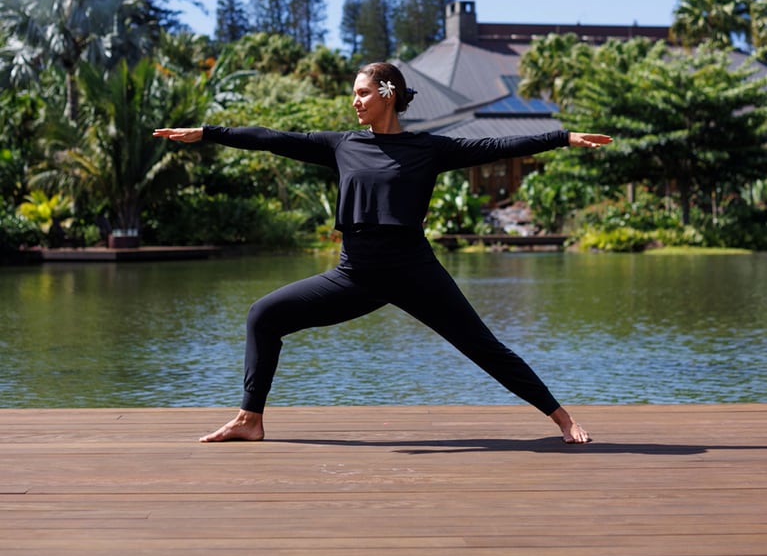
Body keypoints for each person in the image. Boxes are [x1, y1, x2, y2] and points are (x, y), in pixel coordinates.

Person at [154, 61, 612, 445]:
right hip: (354, 275)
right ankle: (250, 419)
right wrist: (210, 133)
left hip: (414, 271)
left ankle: (563, 419)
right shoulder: (341, 145)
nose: (354, 101)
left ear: (388, 94)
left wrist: (563, 137)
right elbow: (276, 138)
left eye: (362, 92)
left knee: (482, 347)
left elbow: (495, 146)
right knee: (263, 315)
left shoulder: (429, 149)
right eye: (354, 94)